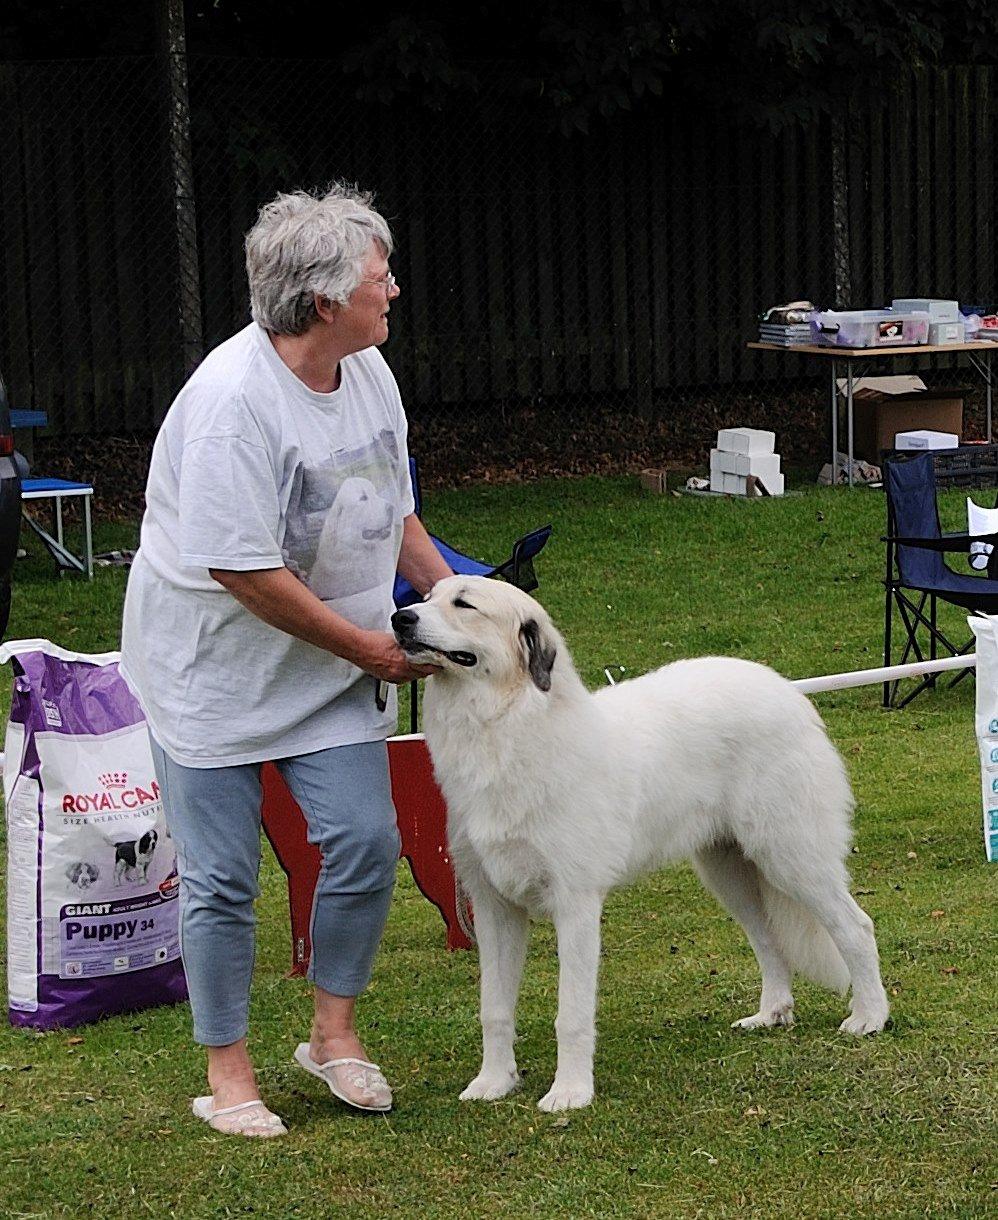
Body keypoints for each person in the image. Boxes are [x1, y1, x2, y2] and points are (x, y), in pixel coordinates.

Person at [120, 183, 453, 1138]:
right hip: (213, 674)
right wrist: (368, 648)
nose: (393, 290)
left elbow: (388, 506)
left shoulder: (369, 373)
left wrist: (446, 602)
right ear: (323, 302)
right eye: (378, 278)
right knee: (222, 879)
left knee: (364, 842)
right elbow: (244, 570)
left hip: (334, 663)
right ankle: (229, 1074)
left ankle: (332, 1035)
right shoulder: (232, 406)